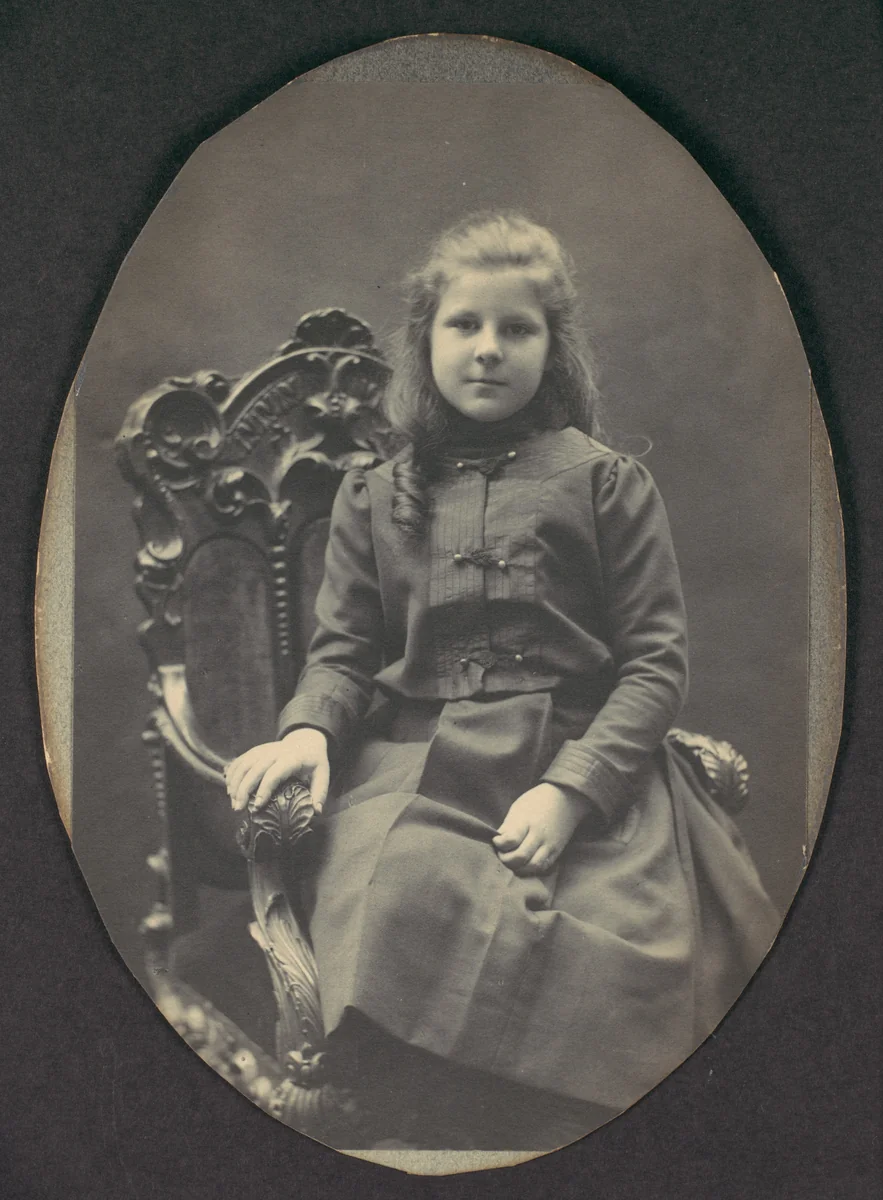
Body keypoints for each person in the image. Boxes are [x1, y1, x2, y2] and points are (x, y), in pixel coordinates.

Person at [225, 212, 779, 1150]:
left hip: (585, 762)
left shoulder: (606, 485)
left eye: (517, 329)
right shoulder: (374, 493)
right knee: (399, 888)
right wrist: (310, 732)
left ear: (551, 348)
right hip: (419, 764)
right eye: (464, 325)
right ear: (425, 339)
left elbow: (654, 663)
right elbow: (344, 654)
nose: (488, 350)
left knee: (627, 932)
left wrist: (570, 795)